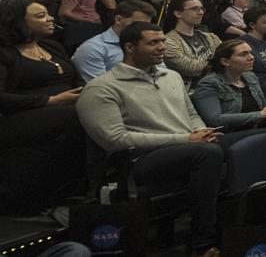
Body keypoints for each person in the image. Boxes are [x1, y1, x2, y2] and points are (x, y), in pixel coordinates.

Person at [76, 21, 224, 257]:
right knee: (207, 154)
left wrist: (203, 132)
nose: (161, 47)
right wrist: (186, 138)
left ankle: (238, 228)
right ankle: (203, 241)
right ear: (130, 47)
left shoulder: (172, 76)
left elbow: (192, 114)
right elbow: (116, 140)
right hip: (139, 160)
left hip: (185, 146)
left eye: (163, 41)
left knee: (246, 143)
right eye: (153, 42)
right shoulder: (102, 88)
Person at [0, 0, 86, 215]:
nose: (50, 19)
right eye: (40, 16)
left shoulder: (53, 46)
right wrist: (51, 100)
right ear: (18, 21)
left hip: (62, 112)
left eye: (48, 14)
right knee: (77, 116)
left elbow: (75, 81)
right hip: (17, 117)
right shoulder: (5, 53)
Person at [191, 39, 266, 129]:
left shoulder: (250, 77)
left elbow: (264, 107)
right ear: (225, 61)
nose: (251, 57)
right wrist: (260, 114)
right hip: (231, 133)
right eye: (244, 54)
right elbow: (214, 120)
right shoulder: (209, 83)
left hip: (257, 128)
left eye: (250, 53)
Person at [71, 0, 158, 80]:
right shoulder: (93, 48)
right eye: (137, 24)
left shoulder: (147, 44)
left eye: (146, 25)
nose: (143, 29)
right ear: (118, 20)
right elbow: (100, 88)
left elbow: (163, 73)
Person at [163, 0, 221, 88]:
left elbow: (228, 55)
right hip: (191, 91)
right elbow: (192, 68)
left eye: (202, 8)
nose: (201, 12)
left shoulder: (211, 37)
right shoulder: (167, 42)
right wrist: (222, 63)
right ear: (178, 13)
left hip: (219, 87)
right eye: (194, 9)